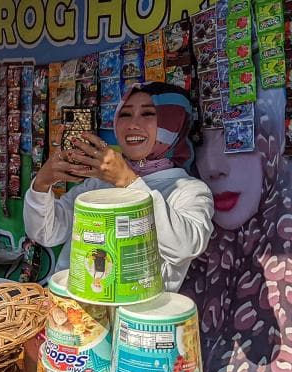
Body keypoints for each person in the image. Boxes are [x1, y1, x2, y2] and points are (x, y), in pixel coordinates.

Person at [23, 82, 214, 293]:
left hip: (136, 320)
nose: (133, 124)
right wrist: (41, 184)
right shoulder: (97, 184)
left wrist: (129, 182)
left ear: (173, 122)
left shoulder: (190, 190)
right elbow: (47, 233)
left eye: (148, 114)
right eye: (125, 115)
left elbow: (184, 247)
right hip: (76, 314)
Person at [182, 86, 291, 372]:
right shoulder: (197, 244)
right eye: (202, 143)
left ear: (270, 146)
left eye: (238, 141)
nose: (213, 166)